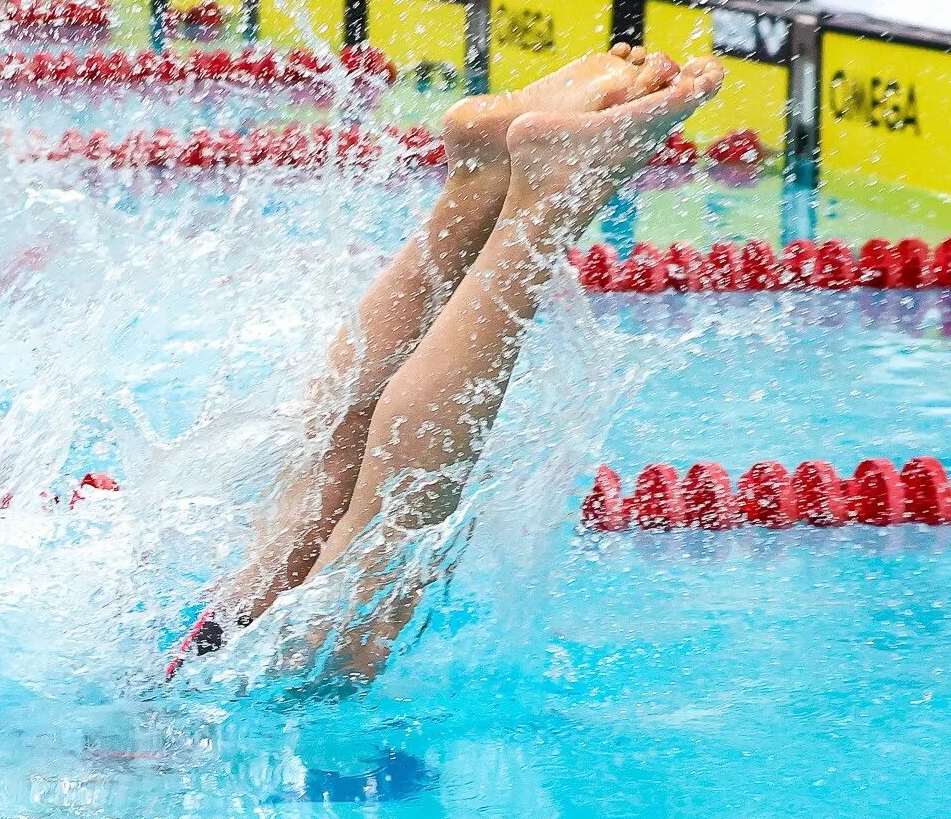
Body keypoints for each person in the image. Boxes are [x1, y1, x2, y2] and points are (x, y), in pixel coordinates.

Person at [172, 44, 726, 683]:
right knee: (303, 522)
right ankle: (483, 190)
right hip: (175, 691)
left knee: (338, 640)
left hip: (183, 728)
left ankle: (533, 202)